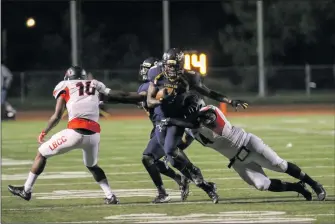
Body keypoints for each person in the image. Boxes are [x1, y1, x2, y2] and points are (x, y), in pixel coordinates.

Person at [7, 66, 144, 204]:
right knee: (92, 166)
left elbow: (57, 116)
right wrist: (140, 98)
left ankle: (26, 190)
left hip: (75, 132)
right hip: (93, 136)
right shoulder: (94, 85)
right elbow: (118, 96)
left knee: (41, 154)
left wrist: (44, 131)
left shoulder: (65, 86)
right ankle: (110, 196)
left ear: (68, 77)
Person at [159, 95, 327, 201]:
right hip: (237, 161)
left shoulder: (209, 111)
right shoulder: (191, 128)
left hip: (248, 144)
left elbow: (198, 121)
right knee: (262, 185)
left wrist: (171, 121)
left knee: (280, 165)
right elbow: (183, 144)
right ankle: (297, 187)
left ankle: (314, 183)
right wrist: (169, 151)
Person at [145, 48, 247, 203]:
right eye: (168, 65)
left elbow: (209, 92)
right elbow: (149, 100)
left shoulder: (189, 78)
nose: (171, 69)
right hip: (161, 119)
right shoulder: (156, 74)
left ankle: (194, 172)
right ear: (164, 65)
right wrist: (161, 100)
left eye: (174, 65)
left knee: (170, 150)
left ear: (180, 65)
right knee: (171, 159)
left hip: (176, 118)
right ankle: (206, 186)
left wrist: (230, 101)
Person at [137, 57, 191, 203]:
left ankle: (166, 190)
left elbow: (138, 98)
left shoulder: (151, 85)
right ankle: (181, 178)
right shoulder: (157, 83)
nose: (145, 71)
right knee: (152, 159)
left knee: (149, 158)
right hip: (162, 127)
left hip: (168, 126)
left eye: (147, 68)